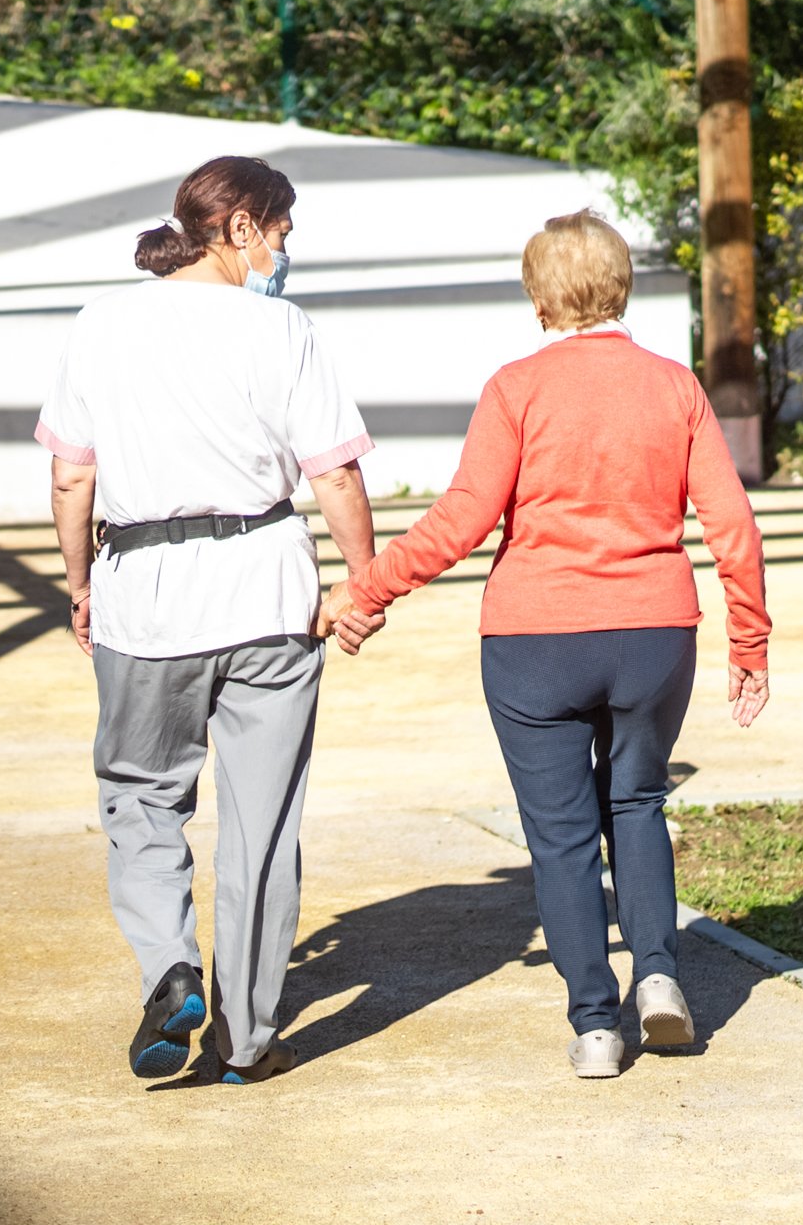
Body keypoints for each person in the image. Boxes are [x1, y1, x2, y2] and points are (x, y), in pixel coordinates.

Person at [329, 209, 770, 1080]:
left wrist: (367, 588)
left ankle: (596, 1025)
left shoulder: (515, 388)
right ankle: (658, 975)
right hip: (653, 633)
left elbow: (464, 518)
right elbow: (731, 523)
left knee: (562, 837)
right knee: (637, 802)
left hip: (534, 639)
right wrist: (748, 642)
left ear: (539, 302)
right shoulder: (674, 386)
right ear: (623, 286)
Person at [38, 155, 381, 1086]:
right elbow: (335, 473)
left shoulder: (102, 324)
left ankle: (170, 968)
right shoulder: (282, 329)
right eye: (282, 231)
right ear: (240, 229)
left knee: (143, 797)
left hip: (143, 598)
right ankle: (246, 1038)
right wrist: (364, 582)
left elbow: (73, 475)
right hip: (269, 595)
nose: (285, 249)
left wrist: (80, 583)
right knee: (262, 821)